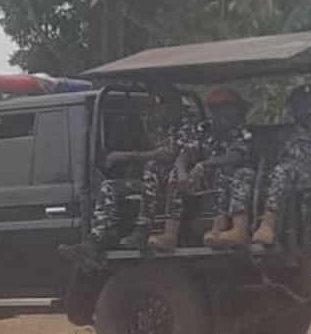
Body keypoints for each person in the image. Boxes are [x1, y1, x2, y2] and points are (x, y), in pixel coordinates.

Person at [60, 85, 206, 269]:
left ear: (173, 104)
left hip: (180, 181)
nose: (155, 111)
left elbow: (169, 154)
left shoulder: (189, 126)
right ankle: (98, 241)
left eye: (159, 105)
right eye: (153, 106)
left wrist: (129, 155)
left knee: (152, 168)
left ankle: (143, 228)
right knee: (109, 187)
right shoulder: (158, 125)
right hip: (151, 182)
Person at [250, 85, 311, 247]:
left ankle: (269, 223)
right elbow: (269, 158)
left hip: (309, 180)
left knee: (283, 170)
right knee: (248, 175)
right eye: (297, 105)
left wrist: (295, 170)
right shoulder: (284, 133)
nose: (301, 110)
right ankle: (240, 227)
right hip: (278, 176)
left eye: (305, 105)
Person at [195, 88, 258, 248]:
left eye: (229, 107)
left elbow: (235, 157)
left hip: (241, 180)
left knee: (235, 173)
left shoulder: (244, 133)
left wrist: (205, 164)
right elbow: (186, 152)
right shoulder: (204, 131)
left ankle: (239, 228)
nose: (225, 112)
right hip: (205, 182)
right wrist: (182, 170)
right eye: (218, 108)